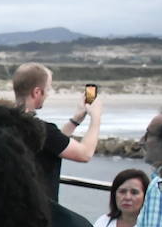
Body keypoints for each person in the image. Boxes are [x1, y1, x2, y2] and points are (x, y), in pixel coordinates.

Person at [11, 62, 102, 201]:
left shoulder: (6, 121)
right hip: (37, 209)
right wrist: (96, 118)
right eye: (47, 89)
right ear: (37, 92)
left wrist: (75, 121)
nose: (48, 94)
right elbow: (85, 154)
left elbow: (54, 143)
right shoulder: (41, 129)